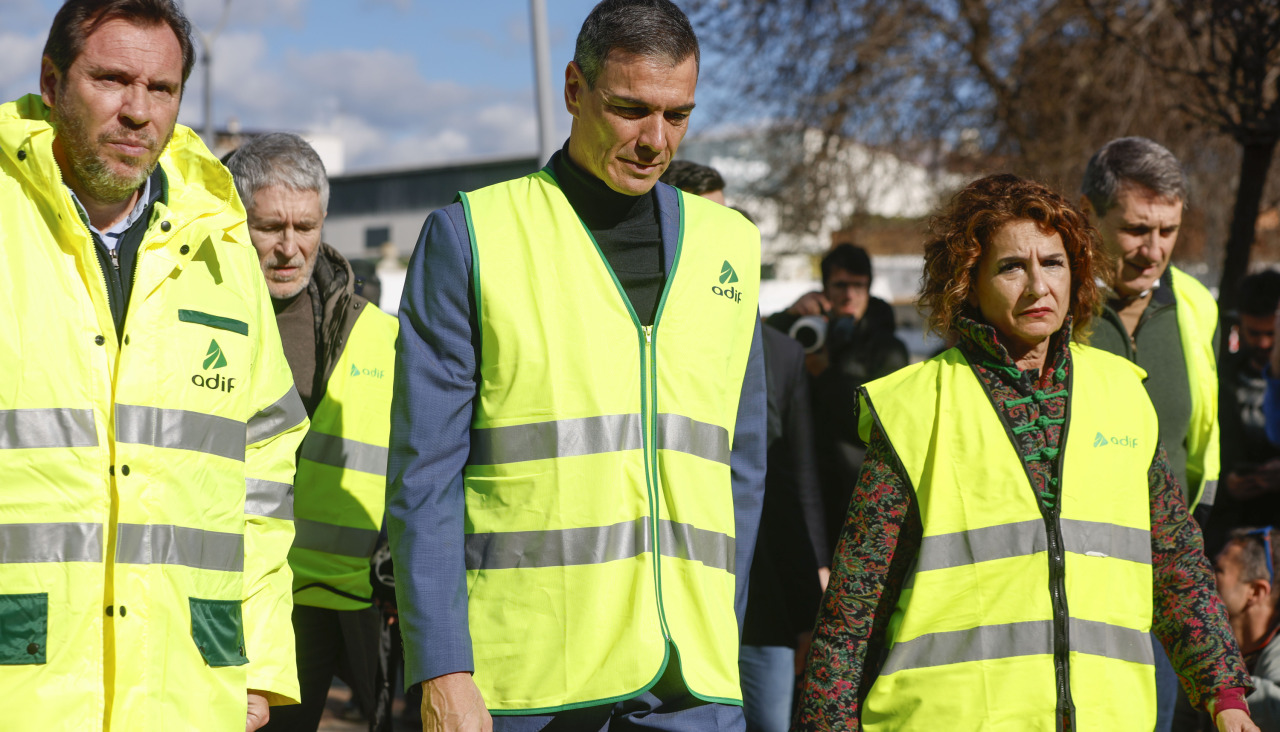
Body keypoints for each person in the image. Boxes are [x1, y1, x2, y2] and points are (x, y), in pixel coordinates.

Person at [386, 1, 767, 731]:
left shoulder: (731, 246)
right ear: (573, 90)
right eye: (630, 110)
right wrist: (441, 666)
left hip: (694, 684)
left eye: (677, 115)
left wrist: (721, 624)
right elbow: (423, 474)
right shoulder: (472, 236)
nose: (656, 141)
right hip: (528, 682)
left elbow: (740, 466)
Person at [794, 174, 1256, 731]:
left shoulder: (1123, 394)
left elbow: (1177, 567)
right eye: (1012, 267)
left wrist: (1225, 696)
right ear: (969, 281)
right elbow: (853, 614)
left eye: (1054, 263)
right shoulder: (915, 406)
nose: (1039, 287)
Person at [0, 1, 308, 729]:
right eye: (111, 79)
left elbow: (263, 466)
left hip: (187, 682)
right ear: (52, 80)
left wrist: (259, 658)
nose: (138, 112)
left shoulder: (222, 245)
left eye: (161, 89)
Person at [227, 133, 398, 732]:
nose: (288, 249)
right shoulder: (193, 318)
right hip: (238, 596)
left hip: (353, 600)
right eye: (269, 227)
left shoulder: (375, 332)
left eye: (305, 227)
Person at [663, 160, 829, 732]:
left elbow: (793, 480)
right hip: (674, 597)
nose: (722, 236)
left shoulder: (778, 352)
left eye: (729, 220)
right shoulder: (643, 344)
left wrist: (814, 586)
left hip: (764, 599)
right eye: (709, 219)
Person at [1081, 136, 1223, 731]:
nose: (1154, 250)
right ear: (1090, 217)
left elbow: (1203, 438)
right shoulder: (1054, 307)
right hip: (1074, 576)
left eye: (1168, 230)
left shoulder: (1195, 304)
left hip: (1160, 581)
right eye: (1137, 229)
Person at [766, 244, 909, 547]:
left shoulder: (887, 348)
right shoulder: (811, 329)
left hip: (858, 491)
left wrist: (825, 373)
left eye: (858, 286)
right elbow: (763, 346)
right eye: (840, 285)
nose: (849, 296)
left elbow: (875, 422)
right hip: (806, 483)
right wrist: (791, 315)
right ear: (825, 288)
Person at [1209, 271, 1280, 555]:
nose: (1264, 344)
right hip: (1232, 532)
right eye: (1254, 333)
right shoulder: (1222, 377)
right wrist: (1228, 484)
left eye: (1271, 334)